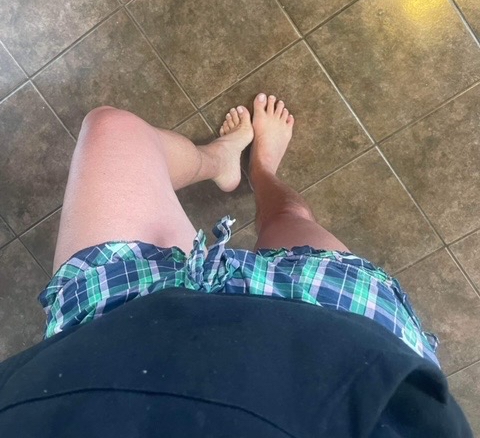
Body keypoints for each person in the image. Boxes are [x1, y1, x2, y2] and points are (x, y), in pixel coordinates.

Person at [0, 93, 472, 437]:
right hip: (341, 344)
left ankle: (220, 159)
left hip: (110, 341)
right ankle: (262, 168)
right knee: (289, 219)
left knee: (112, 129)